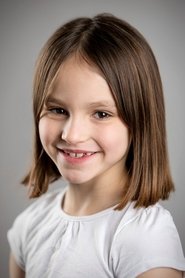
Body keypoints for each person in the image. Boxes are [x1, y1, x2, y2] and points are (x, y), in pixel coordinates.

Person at [8, 13, 185, 278]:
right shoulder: (29, 225)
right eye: (58, 109)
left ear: (140, 120)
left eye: (101, 114)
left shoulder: (145, 239)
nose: (73, 134)